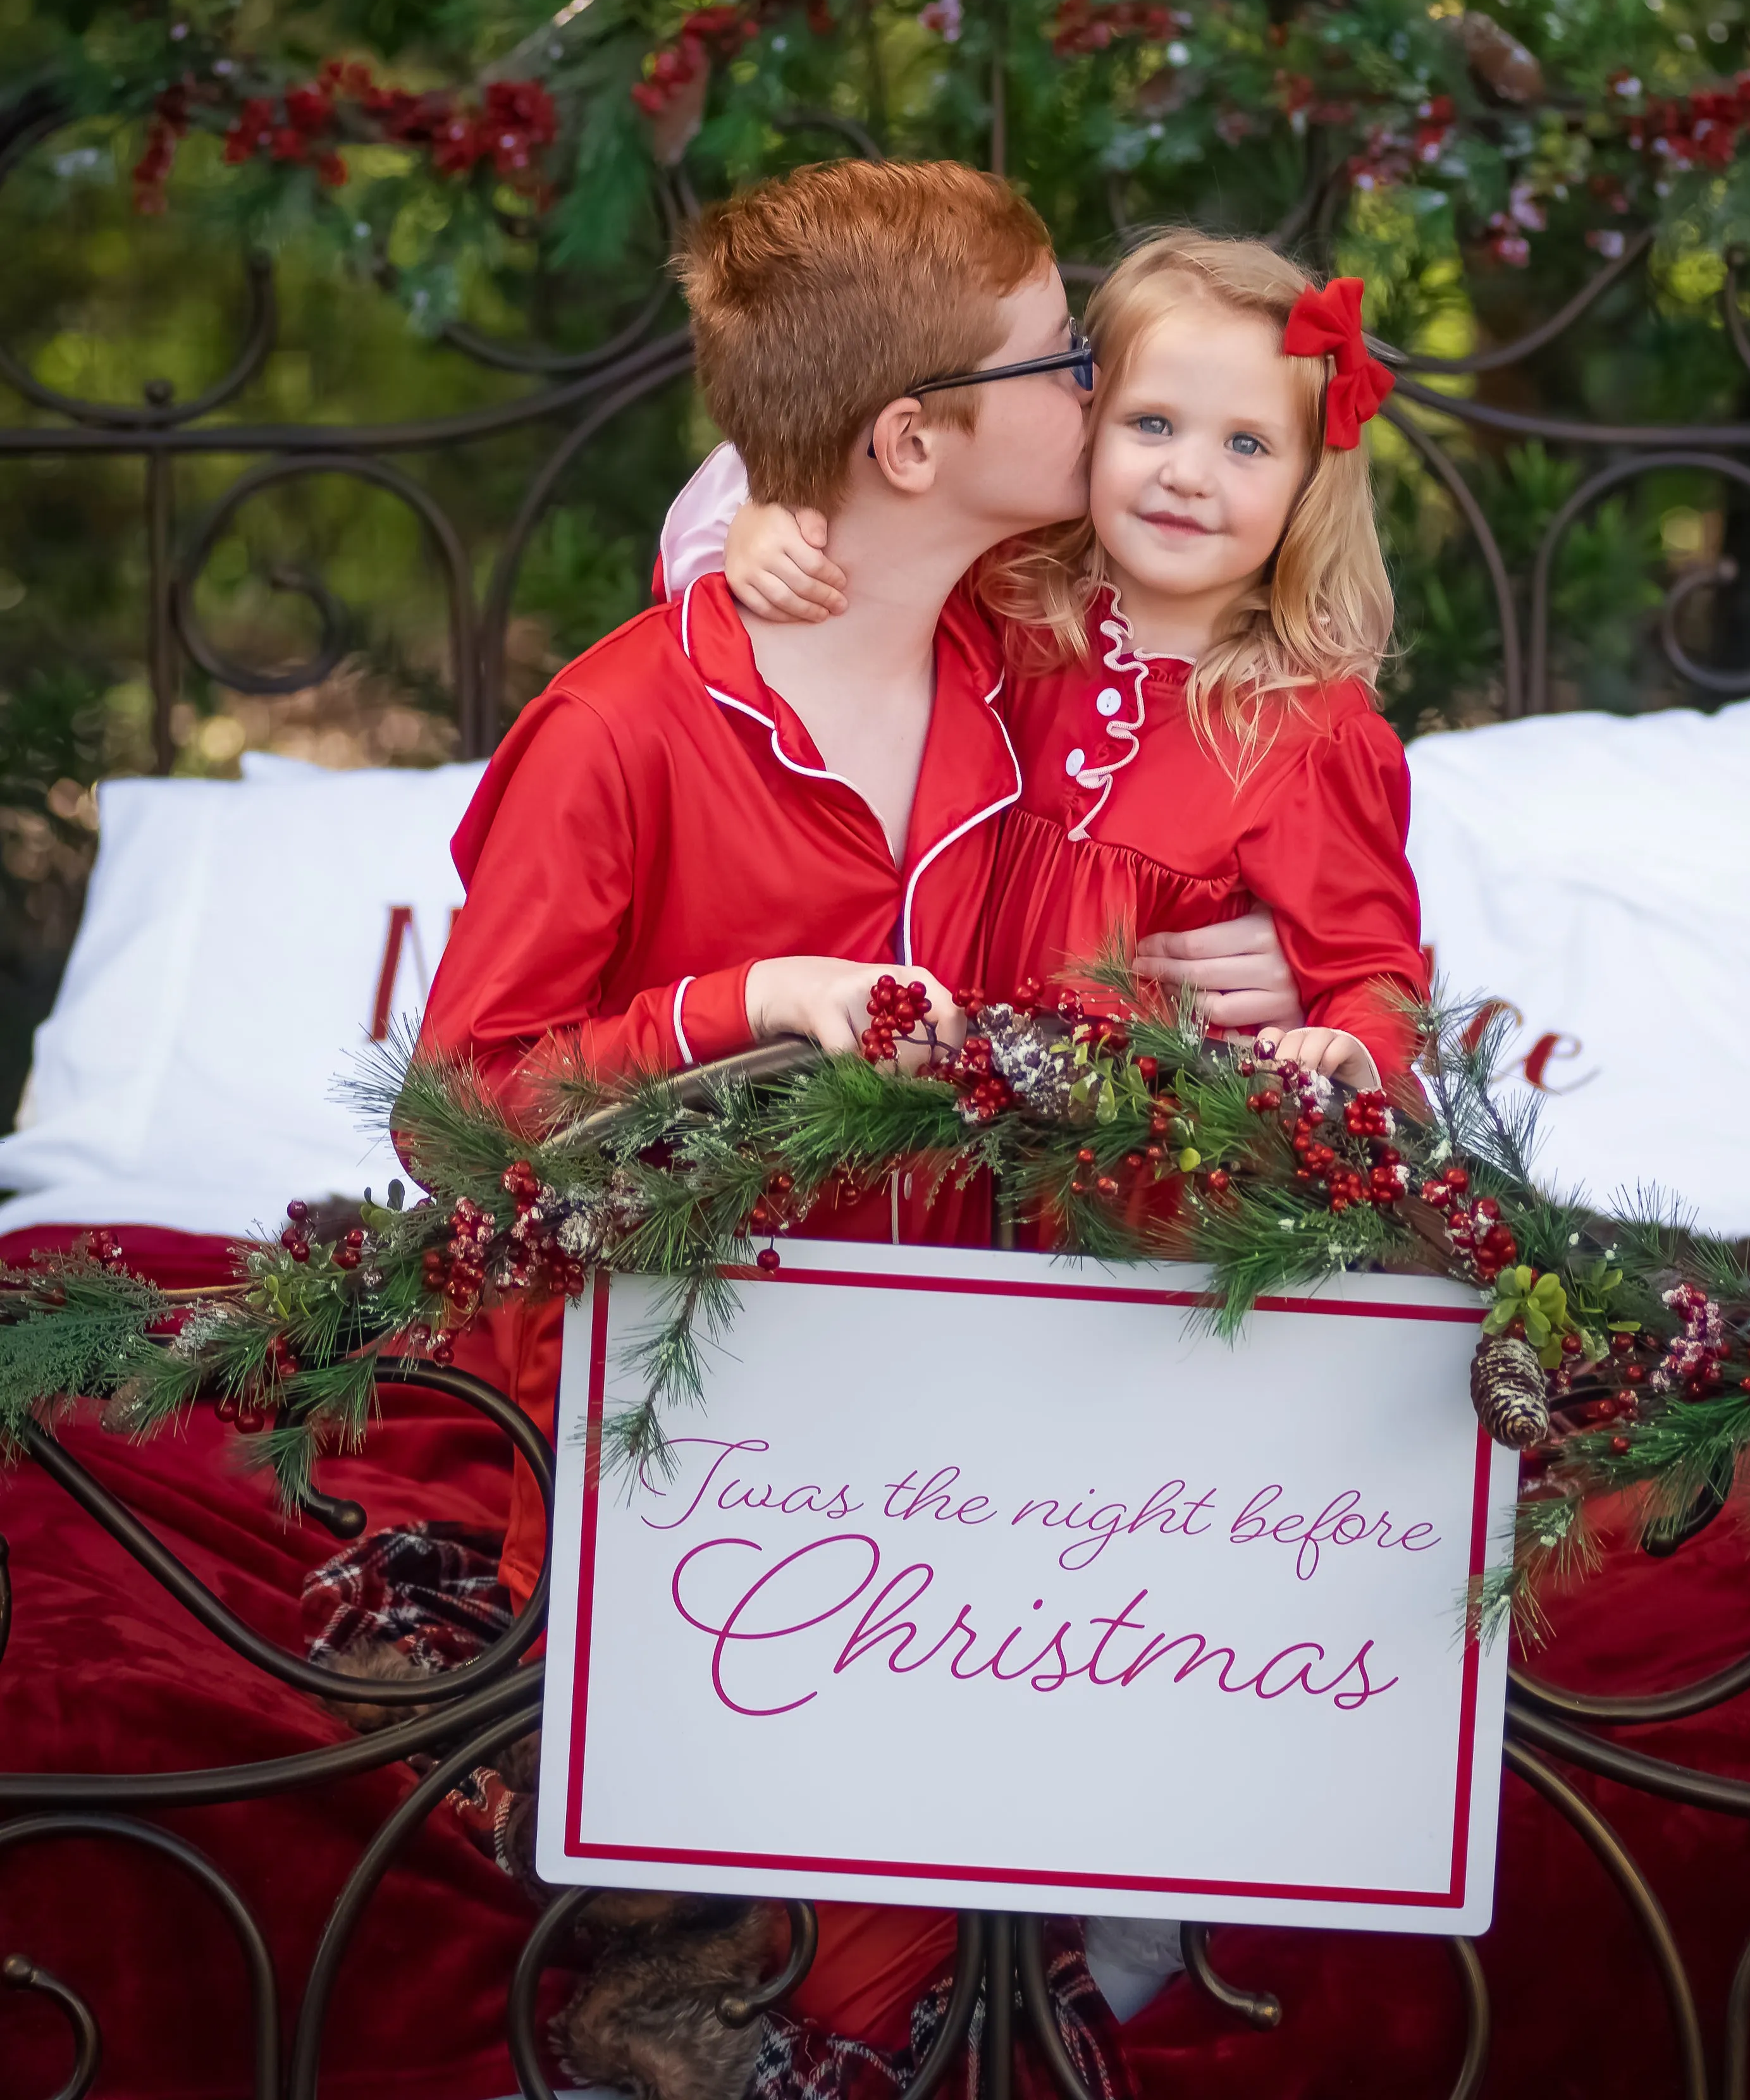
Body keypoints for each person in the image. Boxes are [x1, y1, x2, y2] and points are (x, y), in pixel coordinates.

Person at [416, 163, 1306, 2061]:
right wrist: (734, 1009)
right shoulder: (620, 731)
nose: (1100, 382)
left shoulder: (1029, 669)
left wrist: (1276, 977)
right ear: (914, 440)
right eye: (1061, 357)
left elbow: (1242, 774)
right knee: (828, 1954)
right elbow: (456, 1117)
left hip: (969, 1427)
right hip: (680, 1456)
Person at [667, 227, 1429, 1095]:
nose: (1186, 474)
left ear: (1308, 484)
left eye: (1246, 445)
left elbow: (1373, 974)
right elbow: (809, 550)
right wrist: (761, 522)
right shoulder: (1000, 610)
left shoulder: (1306, 734)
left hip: (1145, 1182)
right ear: (1085, 426)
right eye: (1151, 423)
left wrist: (1338, 1037)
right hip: (939, 1155)